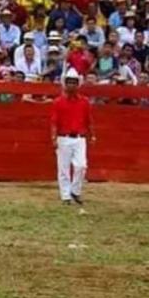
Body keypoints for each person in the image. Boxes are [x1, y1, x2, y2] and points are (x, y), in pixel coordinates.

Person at [50, 68, 96, 205]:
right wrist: (53, 138)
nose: (71, 85)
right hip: (63, 137)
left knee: (81, 166)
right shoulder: (58, 102)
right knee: (63, 168)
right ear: (65, 84)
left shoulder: (84, 102)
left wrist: (92, 135)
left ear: (78, 84)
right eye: (69, 82)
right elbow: (54, 121)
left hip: (79, 138)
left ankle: (75, 191)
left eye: (74, 82)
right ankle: (66, 196)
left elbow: (89, 120)